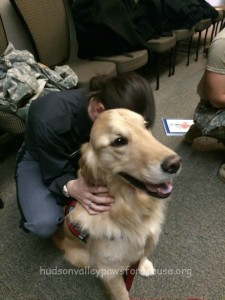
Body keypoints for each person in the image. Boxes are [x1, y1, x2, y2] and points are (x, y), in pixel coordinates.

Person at [15, 72, 156, 238]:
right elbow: (55, 172)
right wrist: (72, 187)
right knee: (43, 223)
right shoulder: (48, 119)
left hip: (87, 154)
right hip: (42, 156)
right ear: (99, 110)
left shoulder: (119, 111)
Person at [184, 27, 225, 182]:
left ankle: (198, 130)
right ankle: (203, 125)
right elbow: (216, 98)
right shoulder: (223, 44)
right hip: (213, 108)